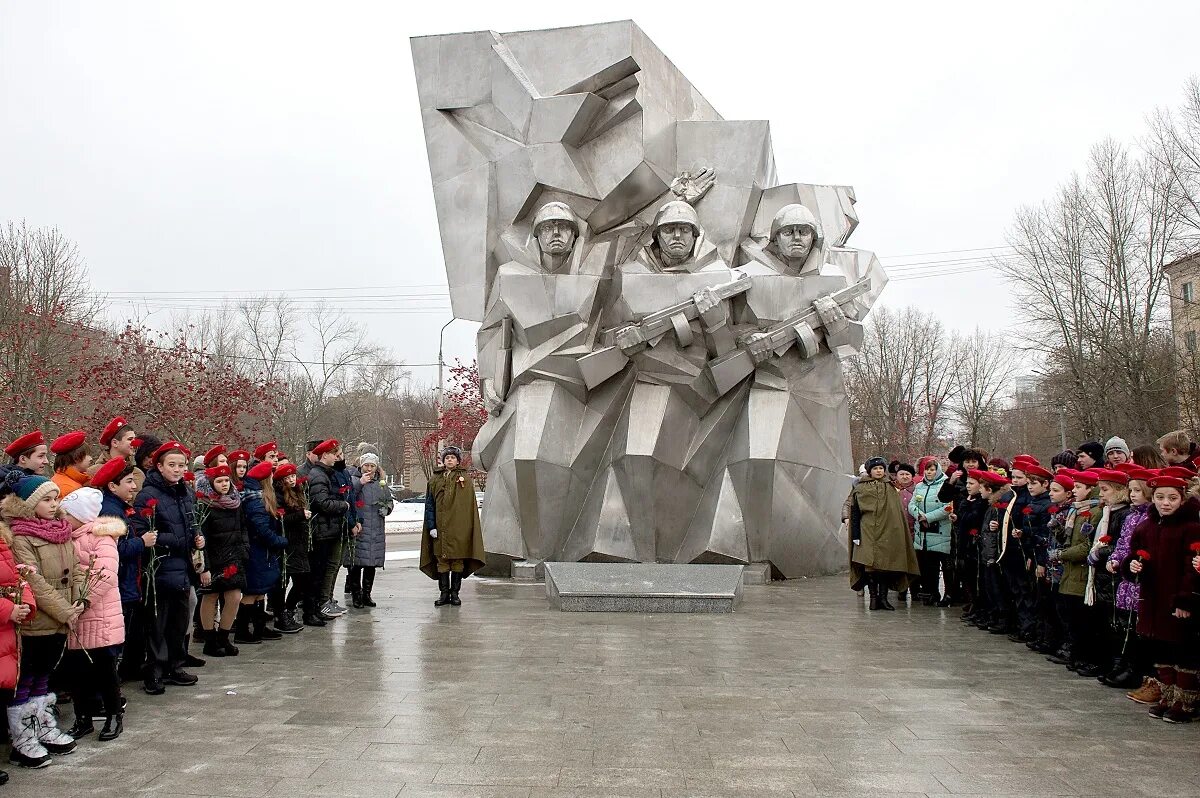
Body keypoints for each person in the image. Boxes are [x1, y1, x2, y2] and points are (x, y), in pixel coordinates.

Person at [1, 474, 82, 763]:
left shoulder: (61, 530)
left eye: (55, 498)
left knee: (44, 677)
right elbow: (34, 583)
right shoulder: (21, 536)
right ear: (30, 504)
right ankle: (22, 737)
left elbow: (77, 568)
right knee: (27, 676)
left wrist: (80, 600)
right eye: (46, 499)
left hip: (61, 619)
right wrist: (64, 610)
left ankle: (41, 724)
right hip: (37, 621)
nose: (53, 504)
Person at [1120, 471, 1200, 722]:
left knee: (1182, 650)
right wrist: (1132, 565)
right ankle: (1167, 694)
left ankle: (1186, 700)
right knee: (1160, 648)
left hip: (1176, 599)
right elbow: (1135, 555)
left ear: (1182, 499)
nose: (1165, 503)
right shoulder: (1146, 527)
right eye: (1160, 497)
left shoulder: (1191, 529)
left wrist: (1186, 599)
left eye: (1172, 498)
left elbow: (1193, 568)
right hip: (1152, 598)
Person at [129, 441, 201, 694]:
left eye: (181, 465)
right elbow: (141, 530)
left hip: (182, 566)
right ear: (159, 466)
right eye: (172, 465)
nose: (178, 470)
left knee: (179, 621)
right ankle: (155, 671)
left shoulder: (185, 492)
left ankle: (175, 665)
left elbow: (192, 521)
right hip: (160, 567)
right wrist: (177, 541)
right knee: (158, 622)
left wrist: (196, 537)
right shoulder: (148, 495)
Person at [60, 488, 125, 741]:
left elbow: (105, 574)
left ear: (82, 516)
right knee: (77, 671)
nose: (62, 516)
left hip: (99, 614)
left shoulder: (101, 537)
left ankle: (113, 716)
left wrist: (83, 600)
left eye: (67, 513)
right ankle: (83, 718)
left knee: (104, 669)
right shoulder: (67, 537)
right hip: (75, 616)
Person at [93, 457, 154, 683]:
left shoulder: (118, 508)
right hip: (120, 584)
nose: (134, 486)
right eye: (128, 481)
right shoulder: (110, 511)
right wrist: (142, 542)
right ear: (112, 485)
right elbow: (113, 549)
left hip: (128, 583)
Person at [847, 456, 920, 611]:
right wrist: (856, 535)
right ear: (869, 471)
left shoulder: (891, 487)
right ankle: (873, 598)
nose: (879, 471)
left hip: (887, 533)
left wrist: (897, 533)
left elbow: (897, 513)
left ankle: (883, 598)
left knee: (886, 566)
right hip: (867, 532)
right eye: (875, 468)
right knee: (870, 567)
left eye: (881, 468)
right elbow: (855, 512)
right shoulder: (860, 488)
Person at [1105, 466, 1155, 693]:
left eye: (1137, 490)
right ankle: (1124, 664)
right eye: (1131, 490)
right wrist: (1115, 559)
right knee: (1124, 624)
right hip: (1126, 577)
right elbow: (1123, 544)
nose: (1133, 494)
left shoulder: (1149, 518)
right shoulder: (1131, 517)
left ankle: (1136, 670)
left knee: (1136, 627)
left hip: (1140, 580)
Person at [1047, 469, 1101, 673]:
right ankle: (1077, 655)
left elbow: (1087, 545)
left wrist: (1061, 554)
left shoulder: (1093, 513)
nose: (1074, 490)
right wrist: (1058, 530)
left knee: (1081, 618)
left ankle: (1084, 656)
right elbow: (1070, 538)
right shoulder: (1075, 511)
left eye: (1078, 487)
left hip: (1080, 571)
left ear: (1090, 489)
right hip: (1069, 571)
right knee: (1069, 614)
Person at [421, 446, 487, 607]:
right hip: (440, 528)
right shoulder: (435, 480)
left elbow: (467, 508)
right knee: (442, 561)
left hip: (459, 529)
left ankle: (455, 594)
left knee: (457, 561)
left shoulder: (465, 479)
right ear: (443, 461)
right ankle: (444, 594)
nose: (450, 460)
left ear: (458, 460)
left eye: (453, 457)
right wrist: (432, 526)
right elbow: (430, 505)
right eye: (447, 457)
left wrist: (466, 530)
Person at [195, 464, 247, 658]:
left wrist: (244, 550)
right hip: (214, 558)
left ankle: (224, 637)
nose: (224, 484)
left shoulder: (235, 502)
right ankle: (210, 639)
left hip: (234, 556)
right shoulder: (205, 506)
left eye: (226, 480)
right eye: (219, 481)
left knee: (234, 597)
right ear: (211, 483)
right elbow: (201, 540)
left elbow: (243, 528)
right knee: (211, 597)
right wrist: (204, 567)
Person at [0, 504, 36, 777]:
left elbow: (16, 578)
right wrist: (7, 609)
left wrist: (24, 604)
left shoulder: (4, 539)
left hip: (6, 632)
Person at [238, 461, 287, 643]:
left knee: (260, 591)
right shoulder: (256, 501)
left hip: (262, 551)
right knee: (252, 592)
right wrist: (279, 541)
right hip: (257, 551)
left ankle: (259, 627)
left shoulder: (257, 498)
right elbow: (261, 529)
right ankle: (243, 631)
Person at [304, 439, 350, 626]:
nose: (337, 458)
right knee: (316, 573)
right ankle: (311, 610)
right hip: (321, 531)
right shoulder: (319, 475)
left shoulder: (324, 474)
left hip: (327, 529)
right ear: (325, 455)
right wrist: (343, 505)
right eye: (334, 454)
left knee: (321, 572)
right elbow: (321, 503)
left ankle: (315, 609)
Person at [346, 453, 393, 608]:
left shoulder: (380, 483)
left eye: (372, 466)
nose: (369, 469)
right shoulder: (354, 479)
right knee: (356, 564)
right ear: (361, 465)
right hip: (360, 527)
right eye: (366, 465)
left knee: (371, 564)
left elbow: (388, 500)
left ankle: (367, 594)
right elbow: (349, 495)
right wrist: (360, 482)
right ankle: (356, 595)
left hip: (376, 529)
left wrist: (387, 509)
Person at [269, 462, 307, 634]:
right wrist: (300, 516)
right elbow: (279, 521)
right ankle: (281, 614)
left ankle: (288, 610)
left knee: (302, 580)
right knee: (282, 583)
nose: (292, 480)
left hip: (297, 543)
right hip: (285, 544)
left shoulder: (297, 491)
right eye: (288, 477)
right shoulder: (277, 495)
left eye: (293, 476)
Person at [909, 457, 952, 606]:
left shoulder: (945, 484)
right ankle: (930, 592)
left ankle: (949, 594)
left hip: (940, 530)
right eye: (927, 469)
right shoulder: (919, 486)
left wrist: (929, 517)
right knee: (927, 565)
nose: (929, 472)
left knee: (945, 566)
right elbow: (912, 504)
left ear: (938, 470)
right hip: (923, 532)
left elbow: (948, 507)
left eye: (932, 469)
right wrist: (919, 515)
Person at [321, 445, 358, 619]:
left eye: (341, 454)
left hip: (345, 524)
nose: (339, 457)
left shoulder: (343, 472)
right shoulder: (332, 474)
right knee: (331, 564)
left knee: (335, 565)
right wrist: (351, 522)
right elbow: (339, 501)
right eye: (336, 455)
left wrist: (356, 520)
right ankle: (324, 599)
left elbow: (351, 498)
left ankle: (328, 598)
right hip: (336, 524)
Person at [976, 469, 1014, 634]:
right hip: (989, 554)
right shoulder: (992, 505)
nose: (979, 490)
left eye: (981, 487)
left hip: (993, 557)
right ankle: (995, 616)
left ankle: (1002, 619)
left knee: (997, 589)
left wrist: (991, 557)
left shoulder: (997, 507)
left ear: (990, 490)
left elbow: (992, 536)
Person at [48, 431, 92, 498]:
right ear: (76, 457)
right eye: (87, 455)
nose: (91, 458)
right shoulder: (66, 487)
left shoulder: (73, 480)